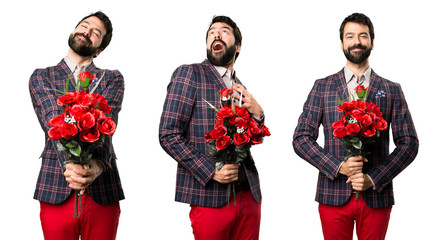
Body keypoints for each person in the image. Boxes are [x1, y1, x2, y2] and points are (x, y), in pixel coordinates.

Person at [293, 13, 418, 240]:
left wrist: (374, 178)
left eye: (363, 36)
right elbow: (301, 138)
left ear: (372, 41)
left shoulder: (391, 89)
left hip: (377, 197)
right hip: (332, 195)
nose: (356, 41)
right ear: (342, 43)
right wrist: (339, 166)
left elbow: (409, 143)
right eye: (350, 36)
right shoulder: (323, 87)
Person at [159, 15, 264, 240]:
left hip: (249, 196)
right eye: (211, 32)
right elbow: (168, 134)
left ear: (237, 46)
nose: (216, 34)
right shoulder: (190, 73)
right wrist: (211, 171)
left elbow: (247, 140)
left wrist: (259, 114)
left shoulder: (240, 86)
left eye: (224, 31)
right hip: (210, 198)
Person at [29, 11, 124, 240]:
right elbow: (52, 121)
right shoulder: (42, 77)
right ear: (73, 31)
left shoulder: (112, 78)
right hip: (56, 185)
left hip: (103, 187)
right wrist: (74, 169)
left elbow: (105, 125)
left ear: (99, 48)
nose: (87, 31)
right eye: (84, 25)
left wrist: (98, 166)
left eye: (96, 33)